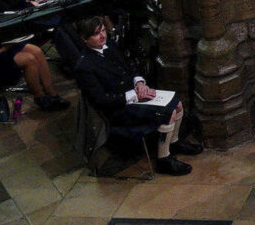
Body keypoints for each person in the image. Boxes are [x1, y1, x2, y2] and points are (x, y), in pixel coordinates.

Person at [72, 15, 195, 176]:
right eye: (96, 34)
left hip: (133, 95)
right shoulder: (84, 66)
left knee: (177, 104)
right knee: (169, 112)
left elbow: (130, 67)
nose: (102, 36)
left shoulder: (109, 45)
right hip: (117, 109)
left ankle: (174, 142)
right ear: (84, 38)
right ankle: (163, 159)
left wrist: (140, 83)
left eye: (103, 30)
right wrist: (135, 95)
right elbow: (101, 100)